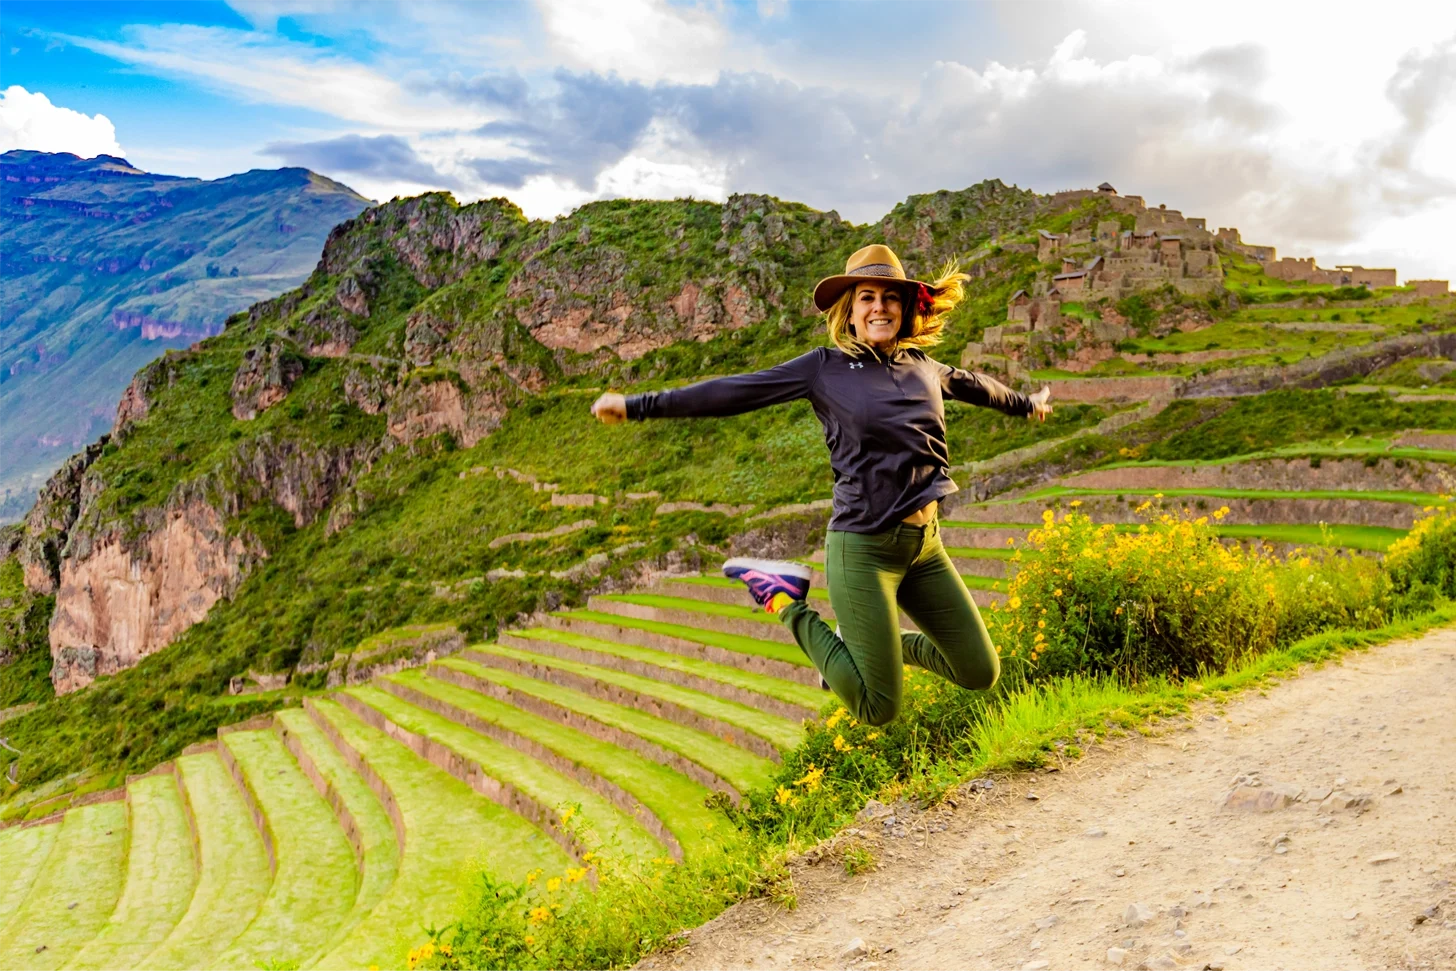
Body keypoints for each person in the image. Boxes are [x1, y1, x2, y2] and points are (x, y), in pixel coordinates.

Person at [591, 243, 1052, 726]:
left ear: (904, 308)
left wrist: (1027, 404)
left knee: (979, 671)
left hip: (925, 548)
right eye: (867, 297)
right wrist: (639, 405)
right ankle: (785, 599)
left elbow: (978, 386)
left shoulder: (923, 366)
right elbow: (735, 391)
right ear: (849, 311)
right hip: (864, 547)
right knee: (877, 708)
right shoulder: (823, 368)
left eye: (890, 298)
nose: (879, 307)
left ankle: (861, 648)